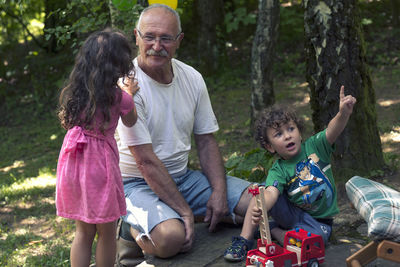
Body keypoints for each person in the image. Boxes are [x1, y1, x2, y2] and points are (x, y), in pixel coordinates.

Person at [115, 3, 252, 259]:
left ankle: (186, 213)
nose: (157, 46)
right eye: (149, 37)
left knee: (262, 202)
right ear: (136, 36)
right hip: (135, 184)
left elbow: (206, 140)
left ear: (179, 41)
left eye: (166, 38)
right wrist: (186, 211)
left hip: (184, 178)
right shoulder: (126, 87)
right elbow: (145, 161)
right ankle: (130, 227)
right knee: (170, 239)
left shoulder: (192, 78)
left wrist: (219, 193)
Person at [224, 86, 357, 262]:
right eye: (279, 134)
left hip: (318, 222)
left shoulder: (316, 146)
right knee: (262, 193)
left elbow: (332, 130)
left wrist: (343, 114)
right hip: (292, 214)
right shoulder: (278, 168)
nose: (287, 136)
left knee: (317, 241)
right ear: (270, 147)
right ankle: (244, 239)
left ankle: (274, 231)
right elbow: (272, 192)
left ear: (299, 132)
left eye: (291, 129)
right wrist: (261, 206)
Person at [56, 28, 139, 267]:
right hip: (100, 168)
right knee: (106, 232)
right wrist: (129, 94)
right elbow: (130, 120)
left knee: (83, 232)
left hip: (74, 164)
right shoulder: (119, 98)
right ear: (119, 65)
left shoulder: (75, 94)